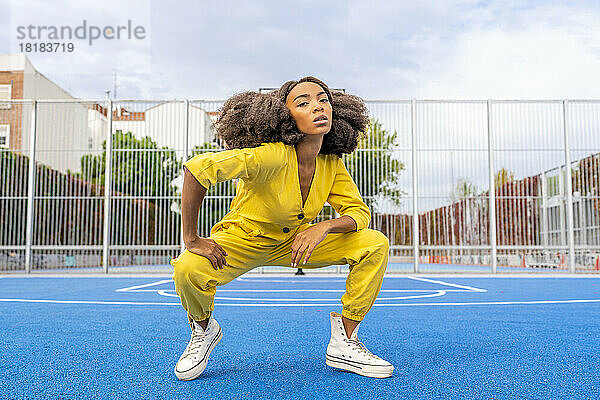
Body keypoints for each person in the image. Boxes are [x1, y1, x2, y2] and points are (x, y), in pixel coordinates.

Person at [170, 76, 393, 380]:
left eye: (323, 99)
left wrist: (323, 227)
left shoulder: (330, 163)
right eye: (303, 103)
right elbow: (198, 169)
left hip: (295, 244)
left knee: (374, 243)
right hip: (243, 240)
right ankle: (203, 329)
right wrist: (191, 238)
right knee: (187, 268)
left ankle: (345, 341)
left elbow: (359, 213)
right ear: (286, 118)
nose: (317, 106)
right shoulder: (270, 155)